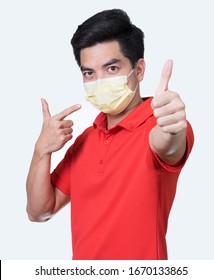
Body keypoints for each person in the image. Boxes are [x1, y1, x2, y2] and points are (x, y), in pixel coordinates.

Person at [26, 9, 194, 260]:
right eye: (89, 73)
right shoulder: (85, 141)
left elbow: (167, 145)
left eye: (112, 68)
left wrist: (172, 127)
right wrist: (41, 150)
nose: (99, 81)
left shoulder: (158, 125)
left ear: (138, 70)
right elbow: (39, 211)